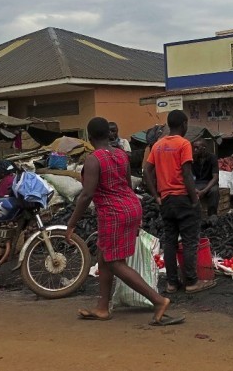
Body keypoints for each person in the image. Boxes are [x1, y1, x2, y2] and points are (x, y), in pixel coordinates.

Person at [66, 117, 179, 325]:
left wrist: (72, 223)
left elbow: (86, 194)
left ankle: (158, 300)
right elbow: (127, 185)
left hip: (112, 213)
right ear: (108, 134)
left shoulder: (94, 159)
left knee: (114, 261)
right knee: (104, 255)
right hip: (131, 207)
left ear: (88, 137)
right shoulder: (120, 154)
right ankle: (102, 307)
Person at [144, 110, 216, 294]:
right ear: (184, 124)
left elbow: (147, 171)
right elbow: (186, 174)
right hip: (183, 198)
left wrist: (157, 196)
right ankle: (192, 282)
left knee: (170, 242)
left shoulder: (158, 146)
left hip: (166, 200)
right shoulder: (184, 144)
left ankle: (171, 283)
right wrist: (194, 199)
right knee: (190, 241)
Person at [191, 139, 219, 217]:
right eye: (194, 148)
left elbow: (215, 177)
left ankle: (212, 216)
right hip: (198, 183)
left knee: (214, 190)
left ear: (204, 148)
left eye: (197, 148)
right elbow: (190, 176)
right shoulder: (192, 158)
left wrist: (204, 191)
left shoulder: (212, 157)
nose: (195, 150)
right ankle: (194, 217)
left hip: (209, 182)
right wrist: (193, 188)